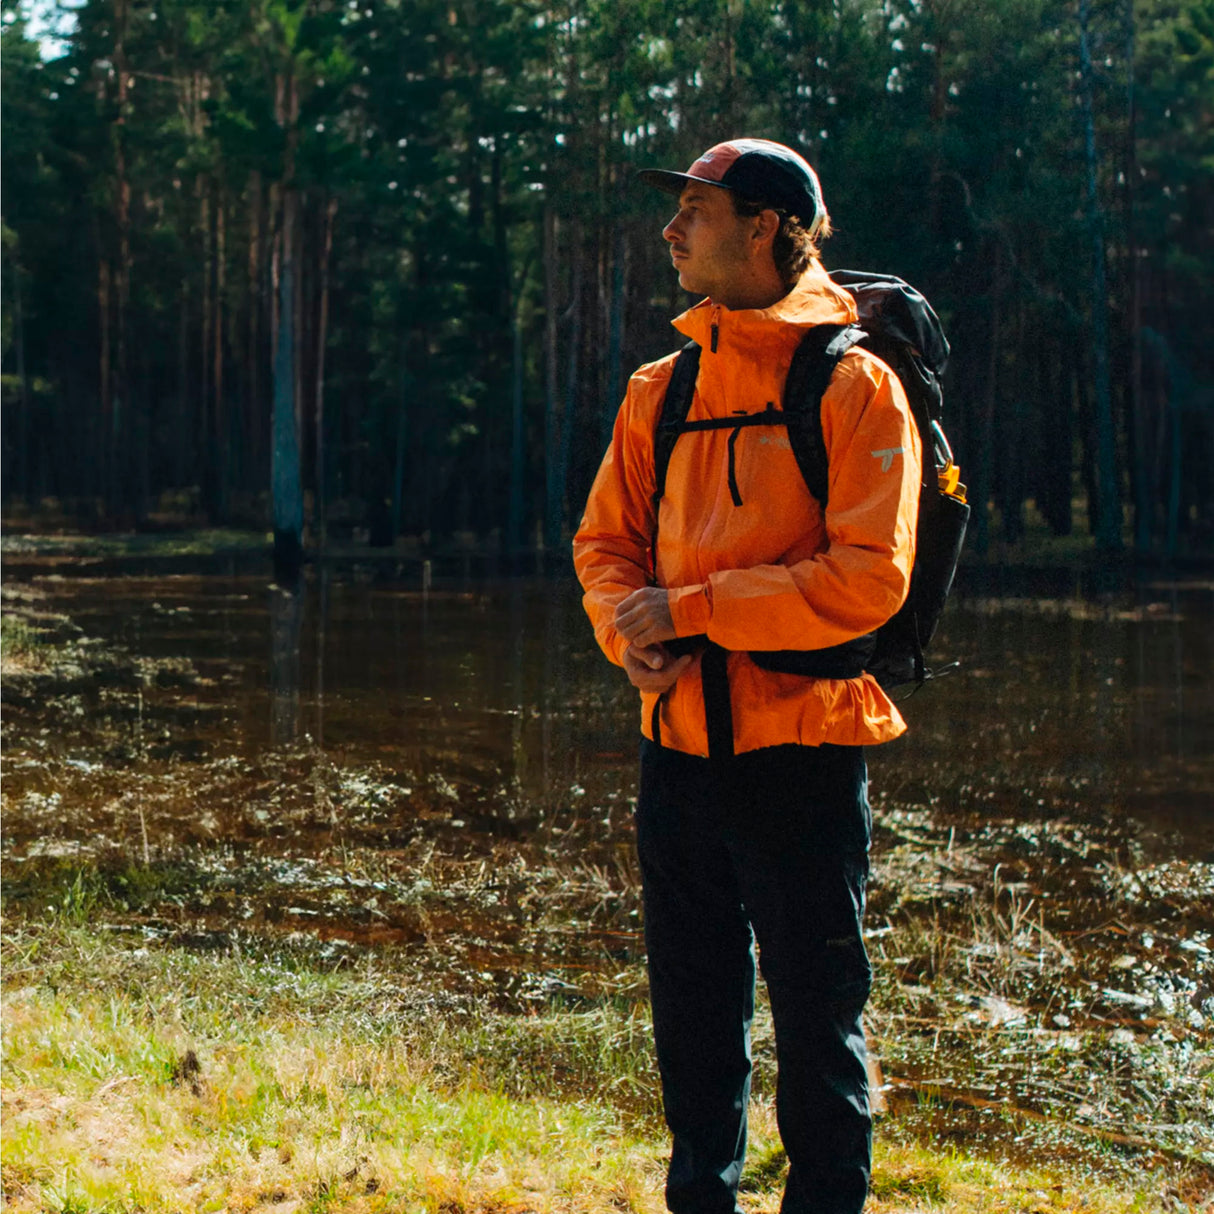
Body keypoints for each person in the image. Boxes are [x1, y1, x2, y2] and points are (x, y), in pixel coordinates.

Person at [572, 138, 922, 1214]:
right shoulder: (655, 387)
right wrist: (624, 634)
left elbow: (870, 580)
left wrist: (692, 606)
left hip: (804, 754)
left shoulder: (853, 385)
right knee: (688, 1017)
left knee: (816, 1025)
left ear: (765, 225)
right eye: (675, 207)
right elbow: (604, 545)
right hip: (676, 753)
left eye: (696, 207)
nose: (672, 227)